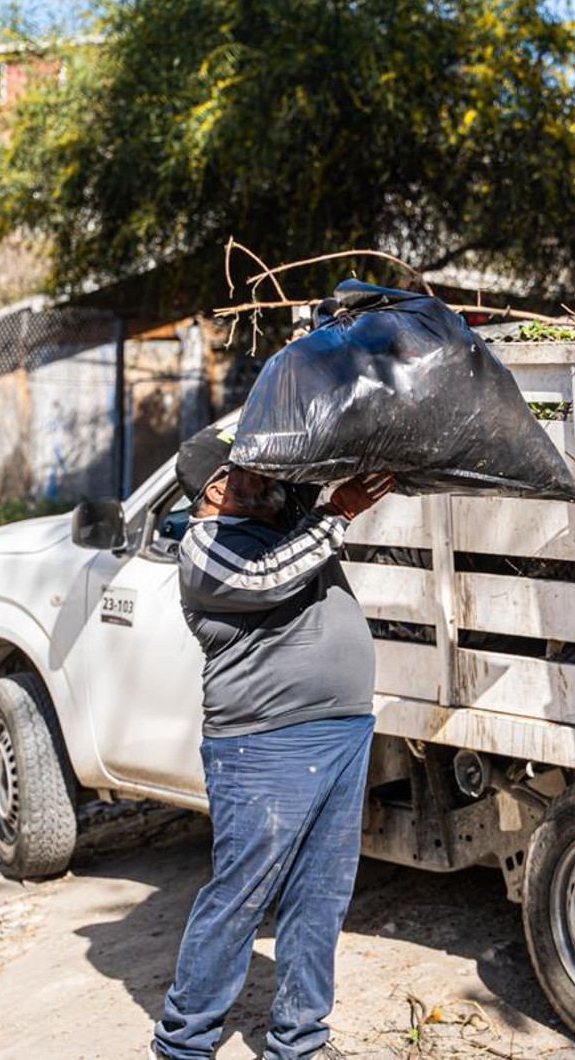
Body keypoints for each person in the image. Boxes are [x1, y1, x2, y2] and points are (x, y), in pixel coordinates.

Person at [152, 440, 394, 1060]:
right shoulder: (205, 546)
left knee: (321, 896)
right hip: (265, 745)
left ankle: (300, 1042)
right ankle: (183, 1044)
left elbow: (318, 469)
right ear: (216, 487)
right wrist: (337, 514)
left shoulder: (285, 523)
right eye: (250, 470)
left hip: (340, 731)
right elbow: (266, 581)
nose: (269, 477)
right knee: (241, 896)